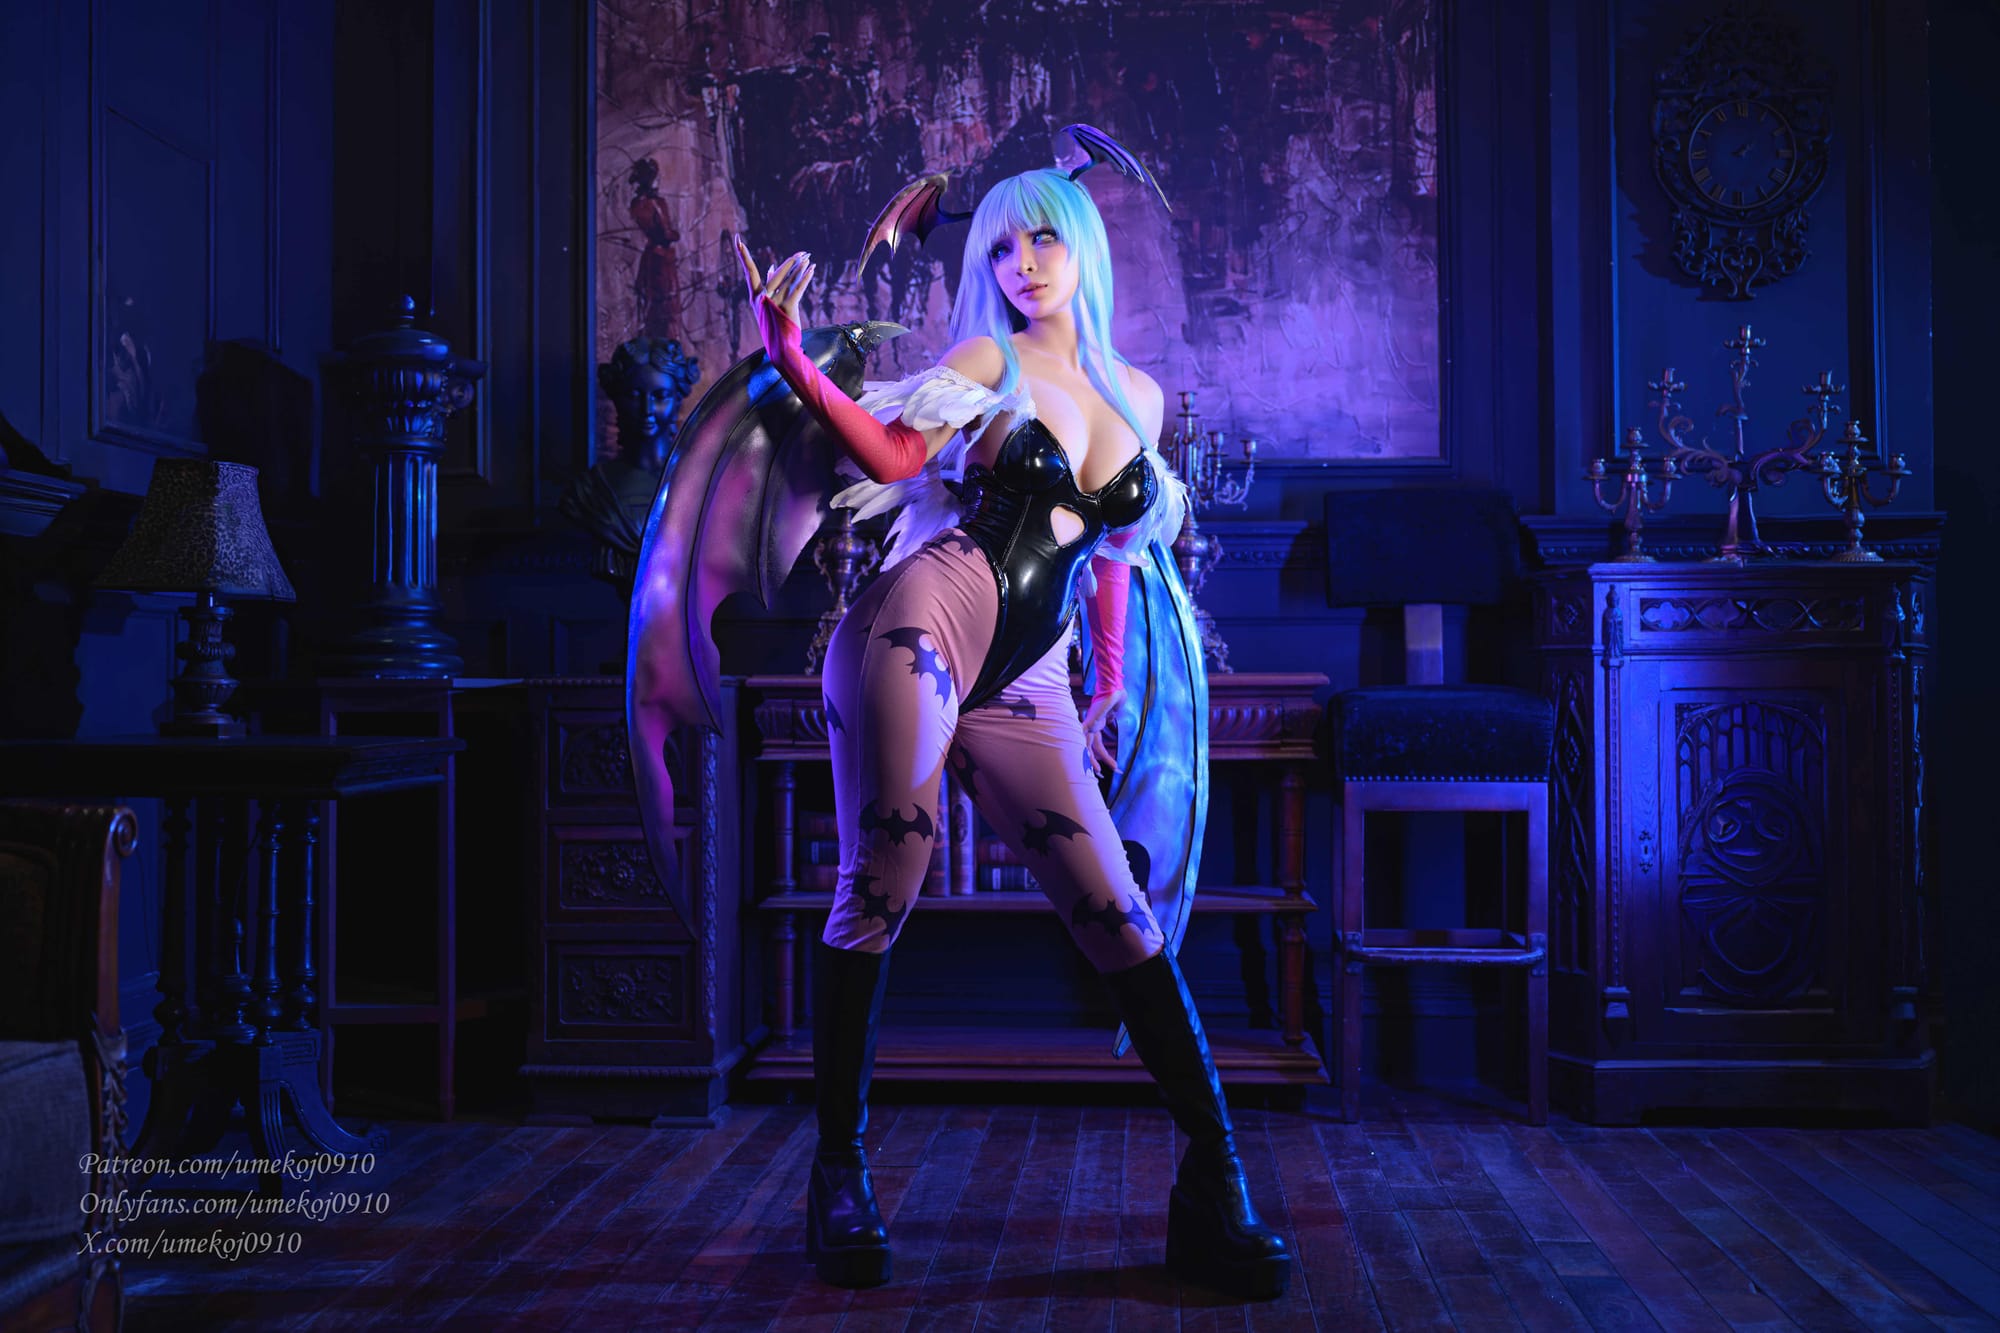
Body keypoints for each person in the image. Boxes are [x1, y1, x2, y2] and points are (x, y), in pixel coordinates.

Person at [734, 163, 1292, 1301]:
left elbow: (1116, 552)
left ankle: (1213, 1184)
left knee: (1118, 911)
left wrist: (1109, 684)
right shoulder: (987, 361)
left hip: (1030, 674)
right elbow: (894, 459)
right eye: (999, 247)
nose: (1021, 265)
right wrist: (793, 360)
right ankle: (837, 1174)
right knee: (886, 872)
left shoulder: (1137, 395)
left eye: (1041, 241)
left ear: (1083, 243)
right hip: (920, 628)